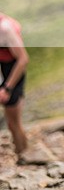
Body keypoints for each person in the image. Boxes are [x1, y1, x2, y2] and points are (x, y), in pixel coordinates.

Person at [0, 13, 28, 157]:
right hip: (4, 67)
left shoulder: (5, 29)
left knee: (14, 121)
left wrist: (7, 88)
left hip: (13, 70)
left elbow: (23, 59)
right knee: (12, 123)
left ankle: (24, 155)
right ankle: (22, 154)